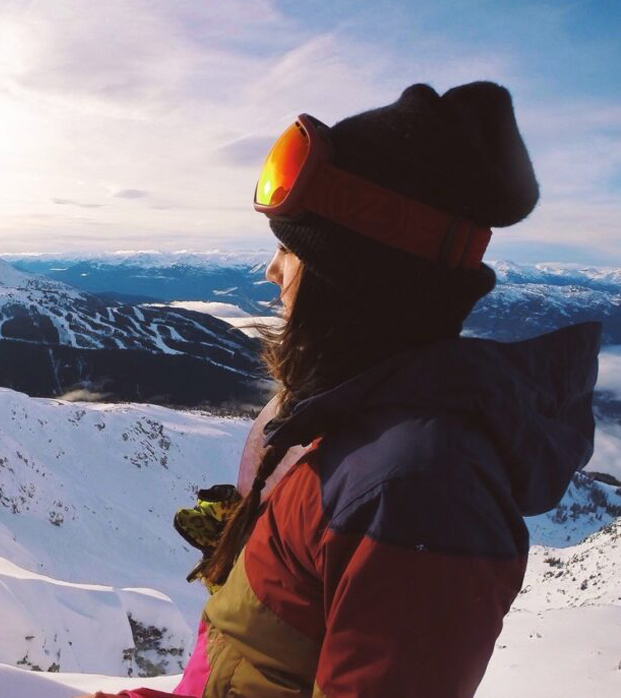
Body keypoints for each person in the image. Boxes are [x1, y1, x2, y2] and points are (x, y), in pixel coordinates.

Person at [76, 82, 601, 698]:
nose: (272, 270)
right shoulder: (353, 436)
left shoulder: (414, 489)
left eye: (289, 250)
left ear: (352, 279)